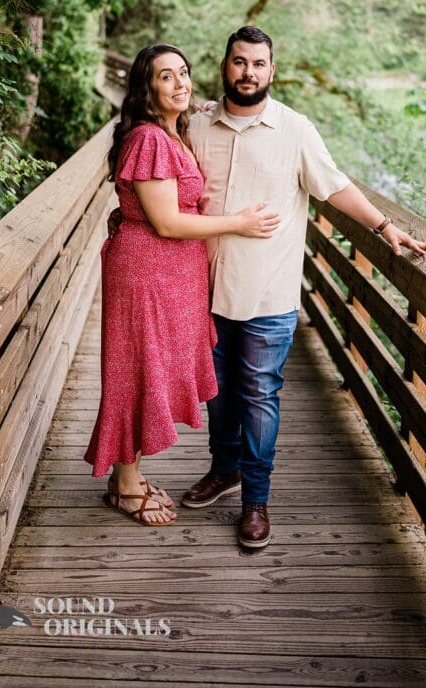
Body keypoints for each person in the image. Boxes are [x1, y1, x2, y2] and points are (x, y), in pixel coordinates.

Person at [177, 27, 426, 548]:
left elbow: (334, 186)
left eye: (258, 63)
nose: (248, 72)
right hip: (204, 291)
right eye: (239, 62)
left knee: (259, 395)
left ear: (272, 71)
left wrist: (385, 227)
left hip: (268, 295)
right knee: (218, 393)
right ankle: (223, 470)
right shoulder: (196, 127)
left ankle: (255, 499)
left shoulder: (295, 130)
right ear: (224, 66)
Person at [84, 43, 279, 525]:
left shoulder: (177, 133)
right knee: (135, 368)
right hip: (147, 273)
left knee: (147, 367)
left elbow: (150, 203)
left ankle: (126, 474)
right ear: (146, 88)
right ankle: (126, 486)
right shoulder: (150, 139)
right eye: (166, 76)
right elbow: (168, 221)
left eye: (184, 73)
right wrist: (238, 223)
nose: (180, 83)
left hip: (167, 275)